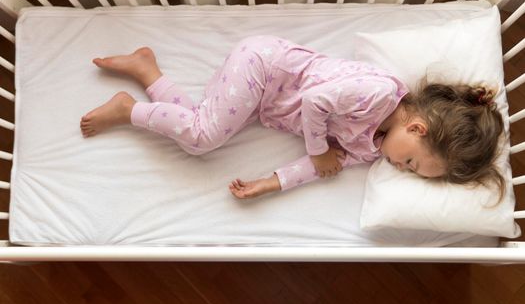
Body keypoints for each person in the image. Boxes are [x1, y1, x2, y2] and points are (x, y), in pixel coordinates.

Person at [80, 35, 504, 201]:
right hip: (264, 68)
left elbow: (317, 170)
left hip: (265, 104)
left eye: (410, 172)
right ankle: (127, 109)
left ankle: (146, 70)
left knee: (195, 128)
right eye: (411, 161)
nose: (400, 167)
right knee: (203, 136)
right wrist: (320, 150)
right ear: (416, 128)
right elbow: (315, 102)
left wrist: (269, 182)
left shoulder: (369, 148)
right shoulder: (376, 93)